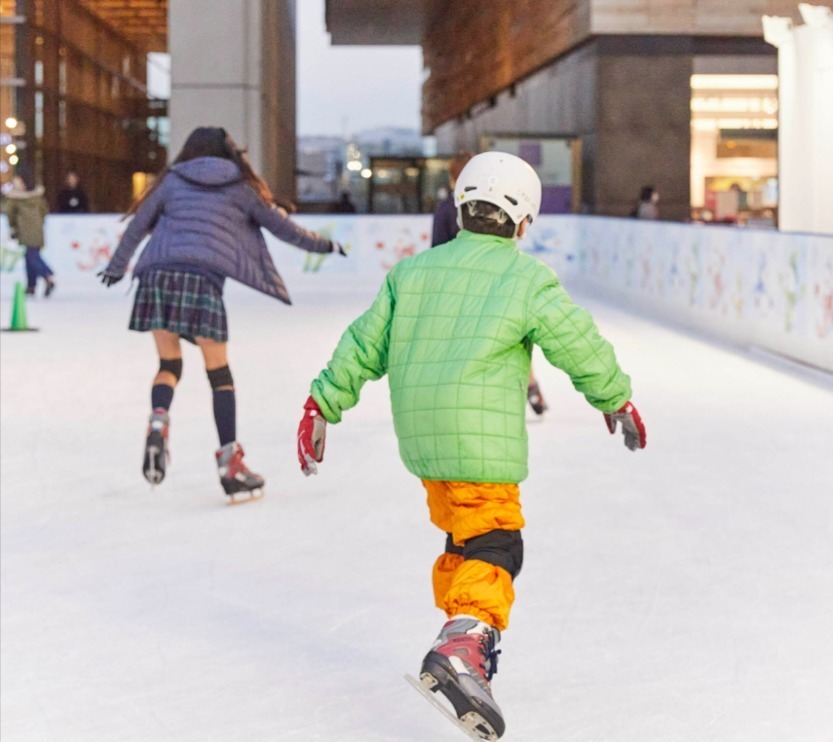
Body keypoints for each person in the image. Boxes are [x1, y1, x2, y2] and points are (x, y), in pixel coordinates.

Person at [296, 152, 646, 739]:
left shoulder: (411, 273)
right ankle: (463, 645)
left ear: (461, 207)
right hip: (478, 442)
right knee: (499, 544)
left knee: (466, 537)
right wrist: (615, 398)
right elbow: (578, 344)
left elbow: (362, 345)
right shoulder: (526, 279)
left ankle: (466, 650)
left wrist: (320, 403)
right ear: (524, 222)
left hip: (423, 441)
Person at [99, 126, 342, 501]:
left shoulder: (172, 181)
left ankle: (158, 422)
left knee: (169, 365)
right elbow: (283, 228)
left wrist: (117, 267)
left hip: (156, 276)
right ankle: (230, 462)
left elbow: (138, 224)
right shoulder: (241, 188)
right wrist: (326, 245)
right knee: (219, 374)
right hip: (200, 281)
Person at [432, 151, 548, 417]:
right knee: (513, 336)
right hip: (497, 286)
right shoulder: (497, 205)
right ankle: (530, 385)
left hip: (460, 289)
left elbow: (437, 252)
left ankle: (466, 396)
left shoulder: (448, 208)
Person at [5, 175, 55, 297]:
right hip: (37, 230)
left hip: (25, 231)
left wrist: (13, 229)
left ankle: (47, 277)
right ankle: (31, 286)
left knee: (32, 257)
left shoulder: (15, 199)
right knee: (30, 256)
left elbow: (10, 215)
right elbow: (44, 211)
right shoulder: (37, 197)